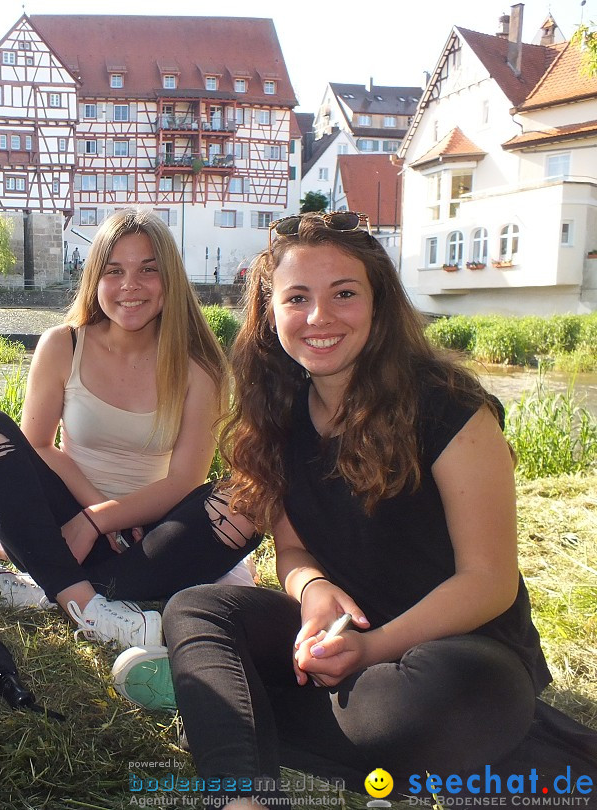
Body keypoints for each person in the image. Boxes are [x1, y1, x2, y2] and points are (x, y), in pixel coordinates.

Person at [123, 211, 553, 807]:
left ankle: (223, 705)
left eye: (343, 294)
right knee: (195, 607)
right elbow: (293, 550)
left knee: (419, 713)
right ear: (270, 315)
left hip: (458, 655)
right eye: (297, 298)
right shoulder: (276, 416)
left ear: (378, 304)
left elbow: (488, 582)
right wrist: (314, 589)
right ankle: (241, 796)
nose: (319, 317)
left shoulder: (450, 410)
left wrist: (375, 649)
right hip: (344, 641)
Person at [0, 208, 260, 652]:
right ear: (95, 279)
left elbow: (185, 481)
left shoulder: (202, 367)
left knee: (247, 500)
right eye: (113, 270)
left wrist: (104, 521)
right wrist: (89, 516)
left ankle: (45, 585)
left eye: (147, 270)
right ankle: (88, 603)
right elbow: (38, 445)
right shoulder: (62, 344)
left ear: (170, 279)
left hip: (150, 533)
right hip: (61, 522)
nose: (129, 286)